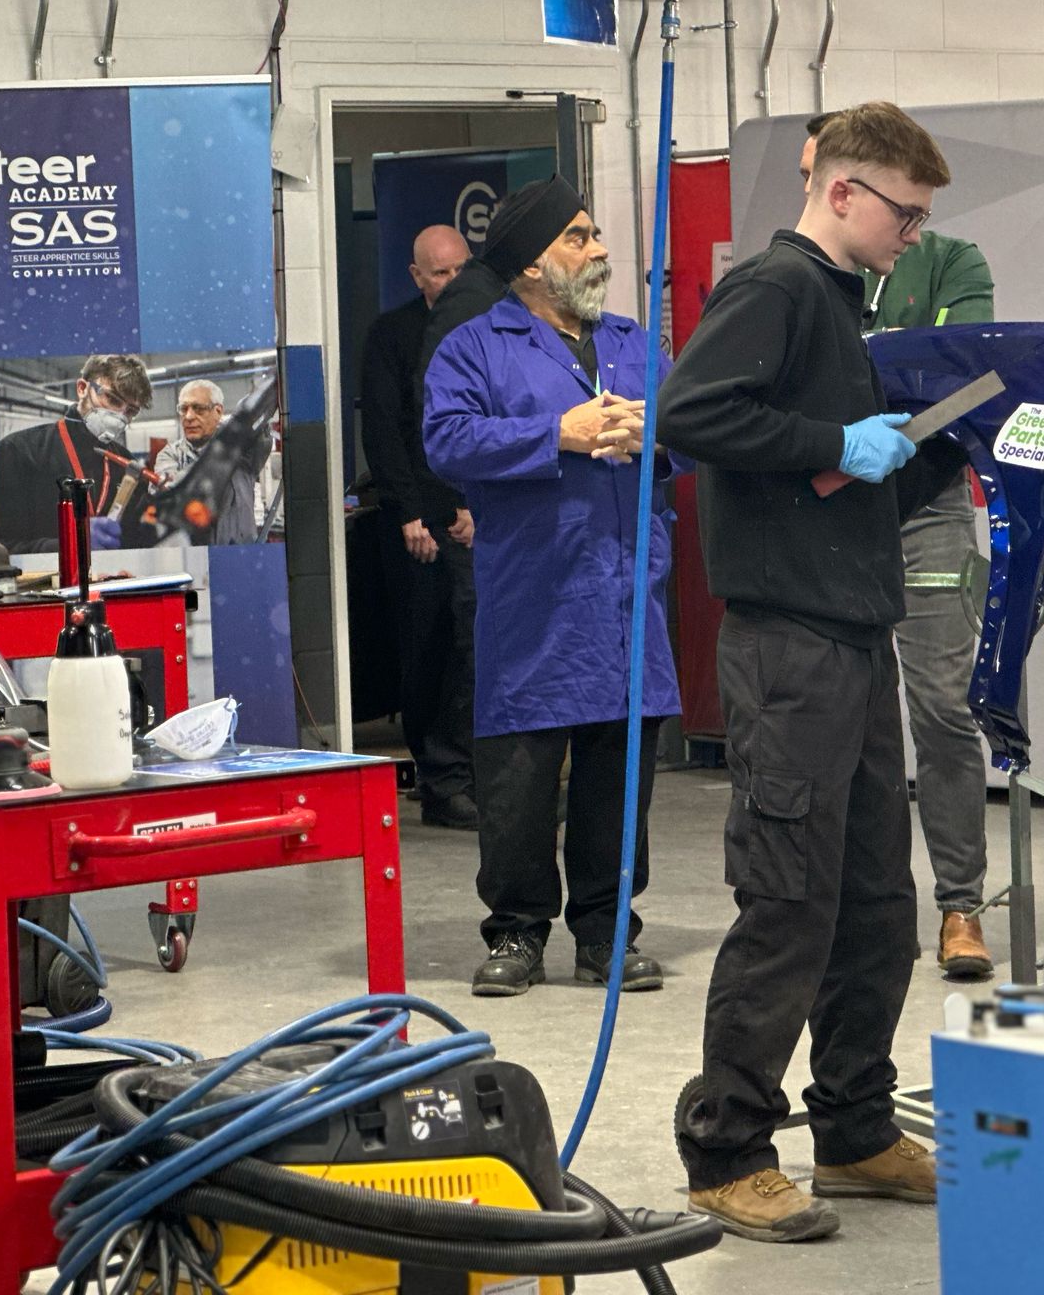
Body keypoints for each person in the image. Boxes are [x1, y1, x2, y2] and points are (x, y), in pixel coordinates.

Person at [660, 101, 966, 1243]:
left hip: (853, 636)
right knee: (787, 900)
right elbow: (693, 412)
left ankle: (853, 1127)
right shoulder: (776, 288)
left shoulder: (845, 305)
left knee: (877, 904)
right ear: (842, 191)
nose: (913, 236)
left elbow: (848, 485)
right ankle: (726, 1148)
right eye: (904, 214)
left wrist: (938, 445)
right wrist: (834, 443)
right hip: (787, 647)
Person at [425, 177, 683, 999]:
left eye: (595, 233)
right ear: (532, 265)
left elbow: (696, 430)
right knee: (521, 779)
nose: (599, 249)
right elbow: (447, 440)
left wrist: (655, 433)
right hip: (534, 594)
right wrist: (557, 434)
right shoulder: (474, 348)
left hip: (625, 593)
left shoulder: (633, 345)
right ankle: (517, 930)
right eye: (578, 236)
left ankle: (607, 933)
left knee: (619, 774)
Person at [800, 112, 998, 982]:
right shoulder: (801, 277)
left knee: (944, 709)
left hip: (925, 507)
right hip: (827, 513)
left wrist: (866, 375)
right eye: (806, 175)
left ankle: (961, 905)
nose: (814, 191)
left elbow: (952, 380)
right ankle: (848, 906)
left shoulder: (951, 261)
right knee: (838, 714)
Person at [359, 224, 479, 830]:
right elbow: (384, 431)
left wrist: (478, 506)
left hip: (473, 514)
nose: (452, 282)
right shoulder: (392, 335)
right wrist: (410, 513)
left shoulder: (487, 329)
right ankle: (440, 781)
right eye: (440, 273)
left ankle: (476, 775)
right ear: (416, 276)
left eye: (460, 269)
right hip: (417, 520)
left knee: (474, 649)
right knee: (429, 646)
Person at [0, 353, 156, 553]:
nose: (119, 416)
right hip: (47, 574)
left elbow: (136, 542)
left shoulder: (127, 464)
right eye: (112, 399)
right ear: (82, 388)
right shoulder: (19, 452)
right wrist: (70, 543)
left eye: (131, 411)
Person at [152, 378, 272, 546]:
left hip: (242, 553)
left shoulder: (243, 452)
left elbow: (258, 423)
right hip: (195, 555)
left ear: (218, 411)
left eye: (199, 409)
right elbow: (173, 493)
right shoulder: (170, 455)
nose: (188, 416)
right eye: (183, 409)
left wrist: (250, 407)